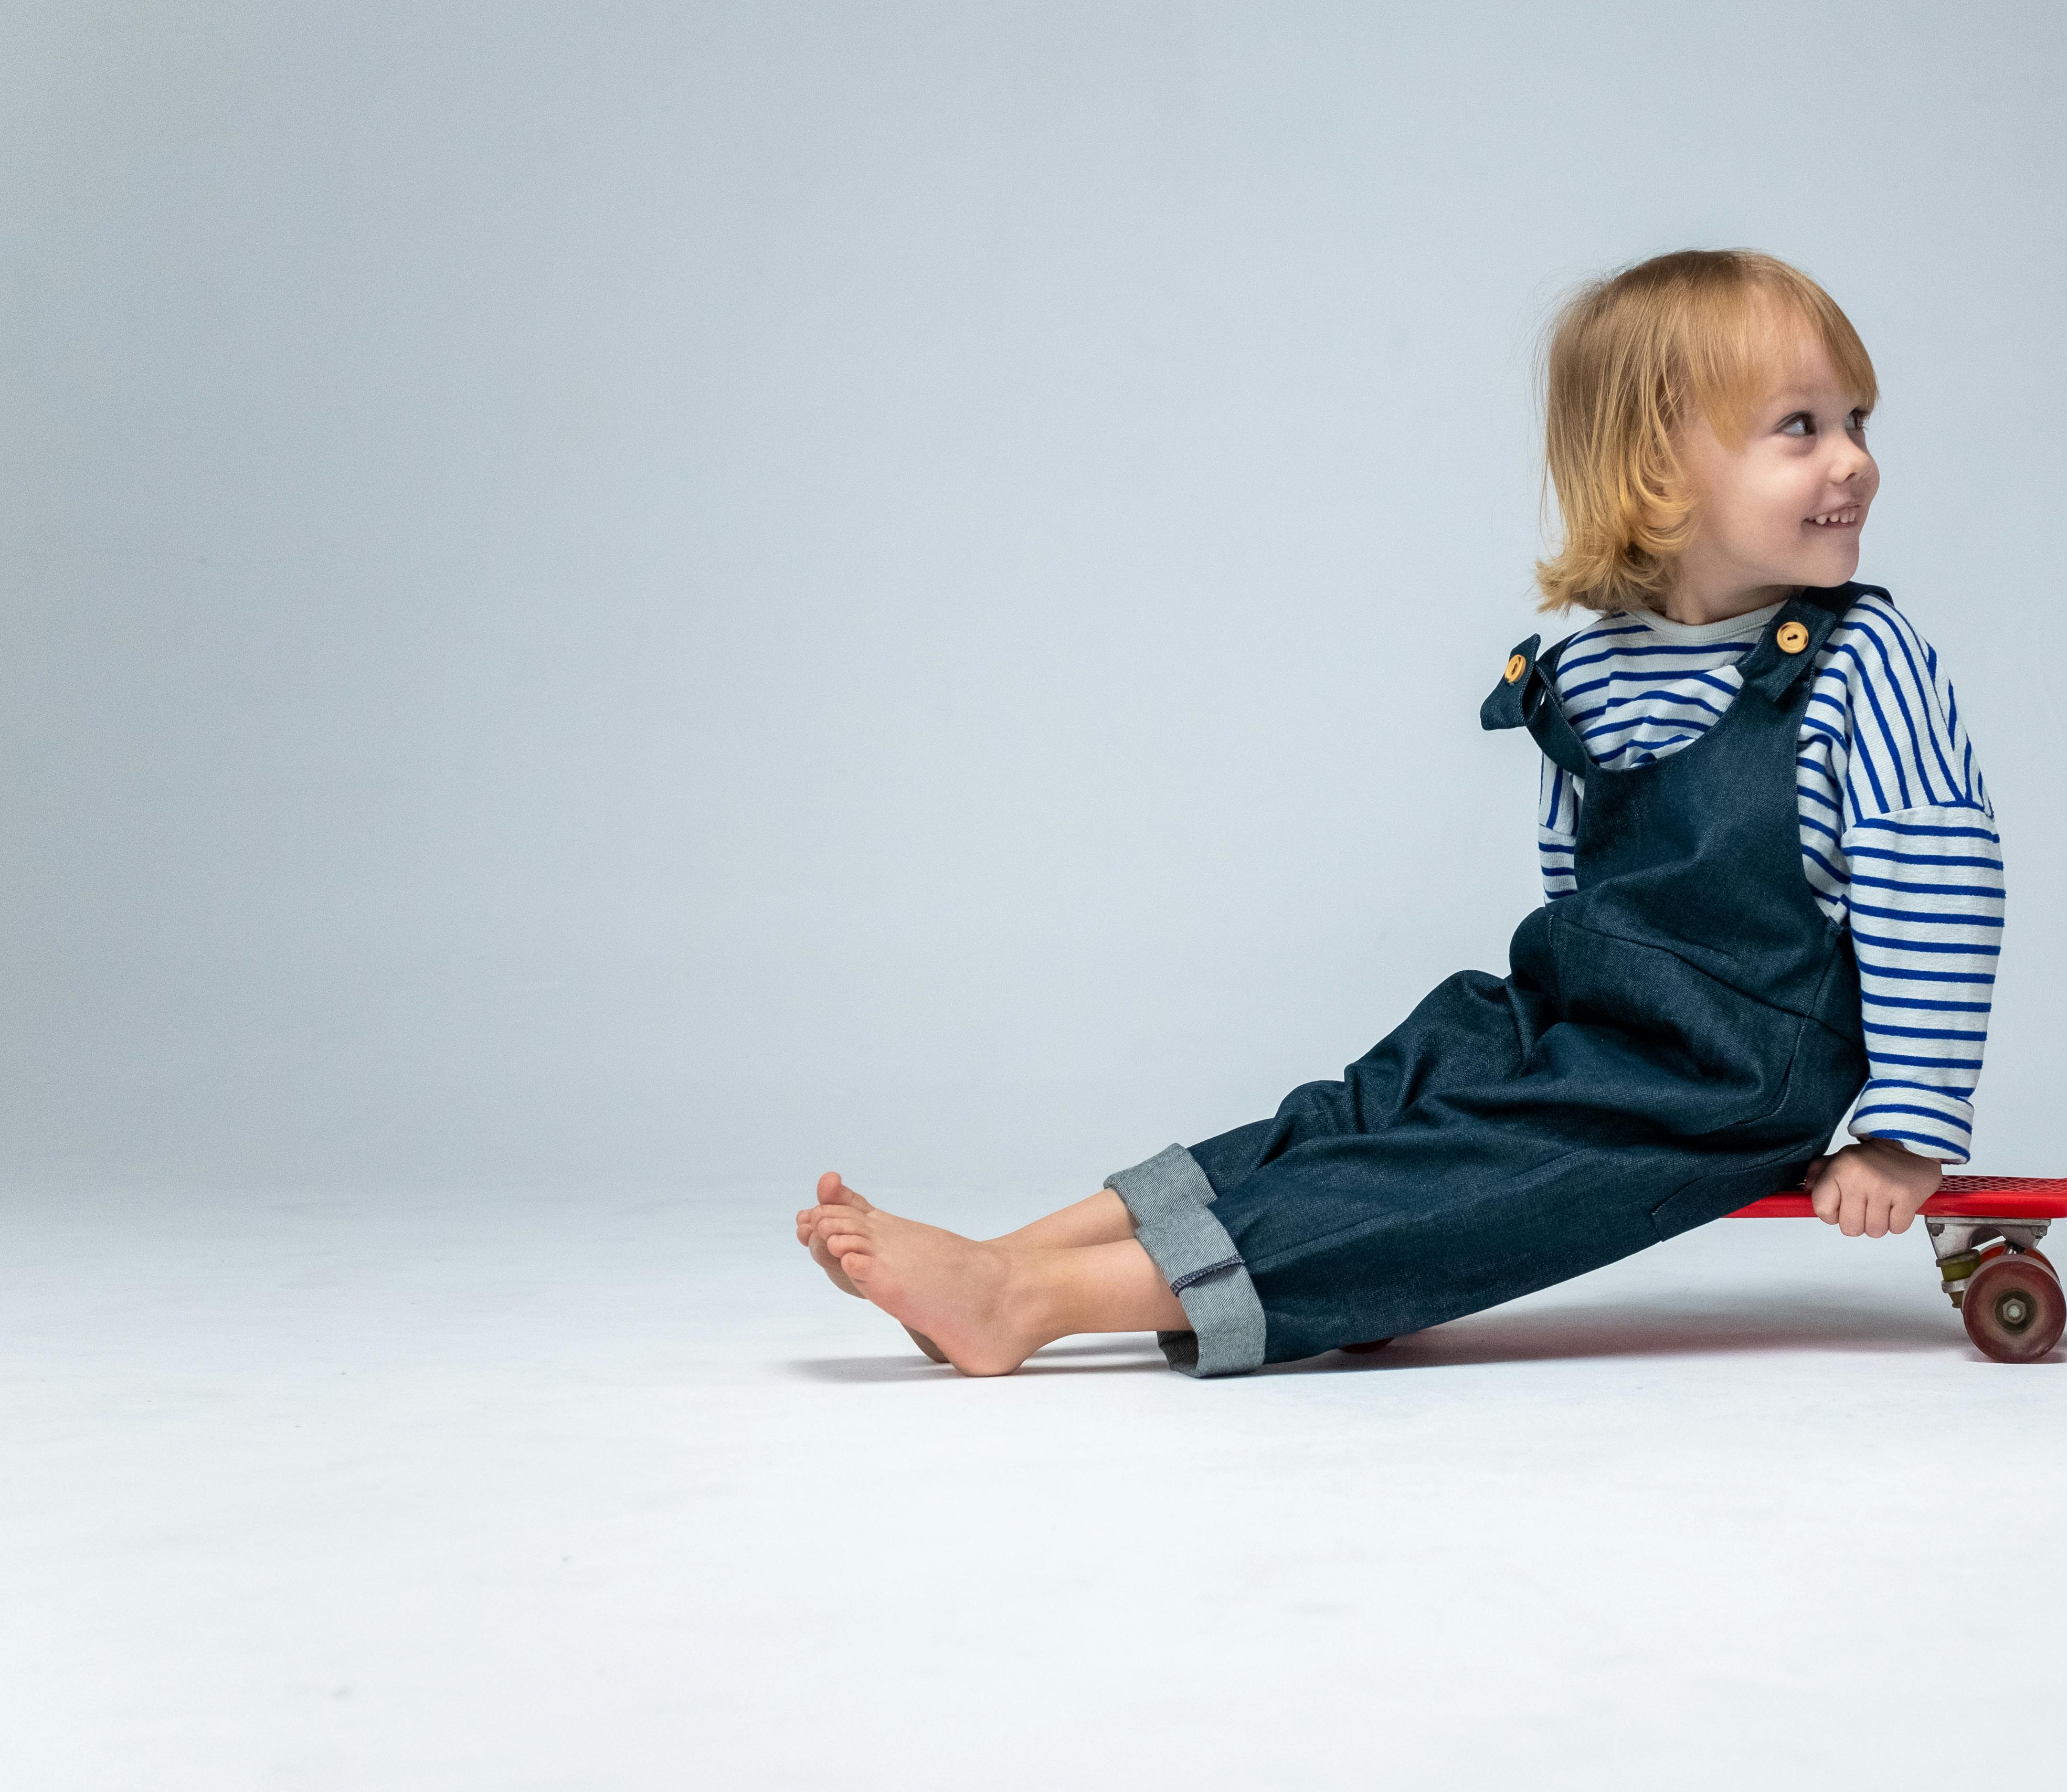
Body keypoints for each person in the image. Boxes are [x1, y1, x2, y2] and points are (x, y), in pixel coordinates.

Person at [796, 248, 2004, 1377]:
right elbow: (1579, 886)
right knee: (1370, 1101)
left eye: (1856, 422)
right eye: (1800, 427)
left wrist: (1903, 1130)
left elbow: (1937, 891)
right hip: (1585, 1017)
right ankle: (1017, 1249)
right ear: (1656, 466)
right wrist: (1552, 1030)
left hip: (1729, 1067)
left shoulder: (1864, 661)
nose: (1852, 460)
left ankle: (1027, 1304)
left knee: (1451, 1170)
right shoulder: (1585, 670)